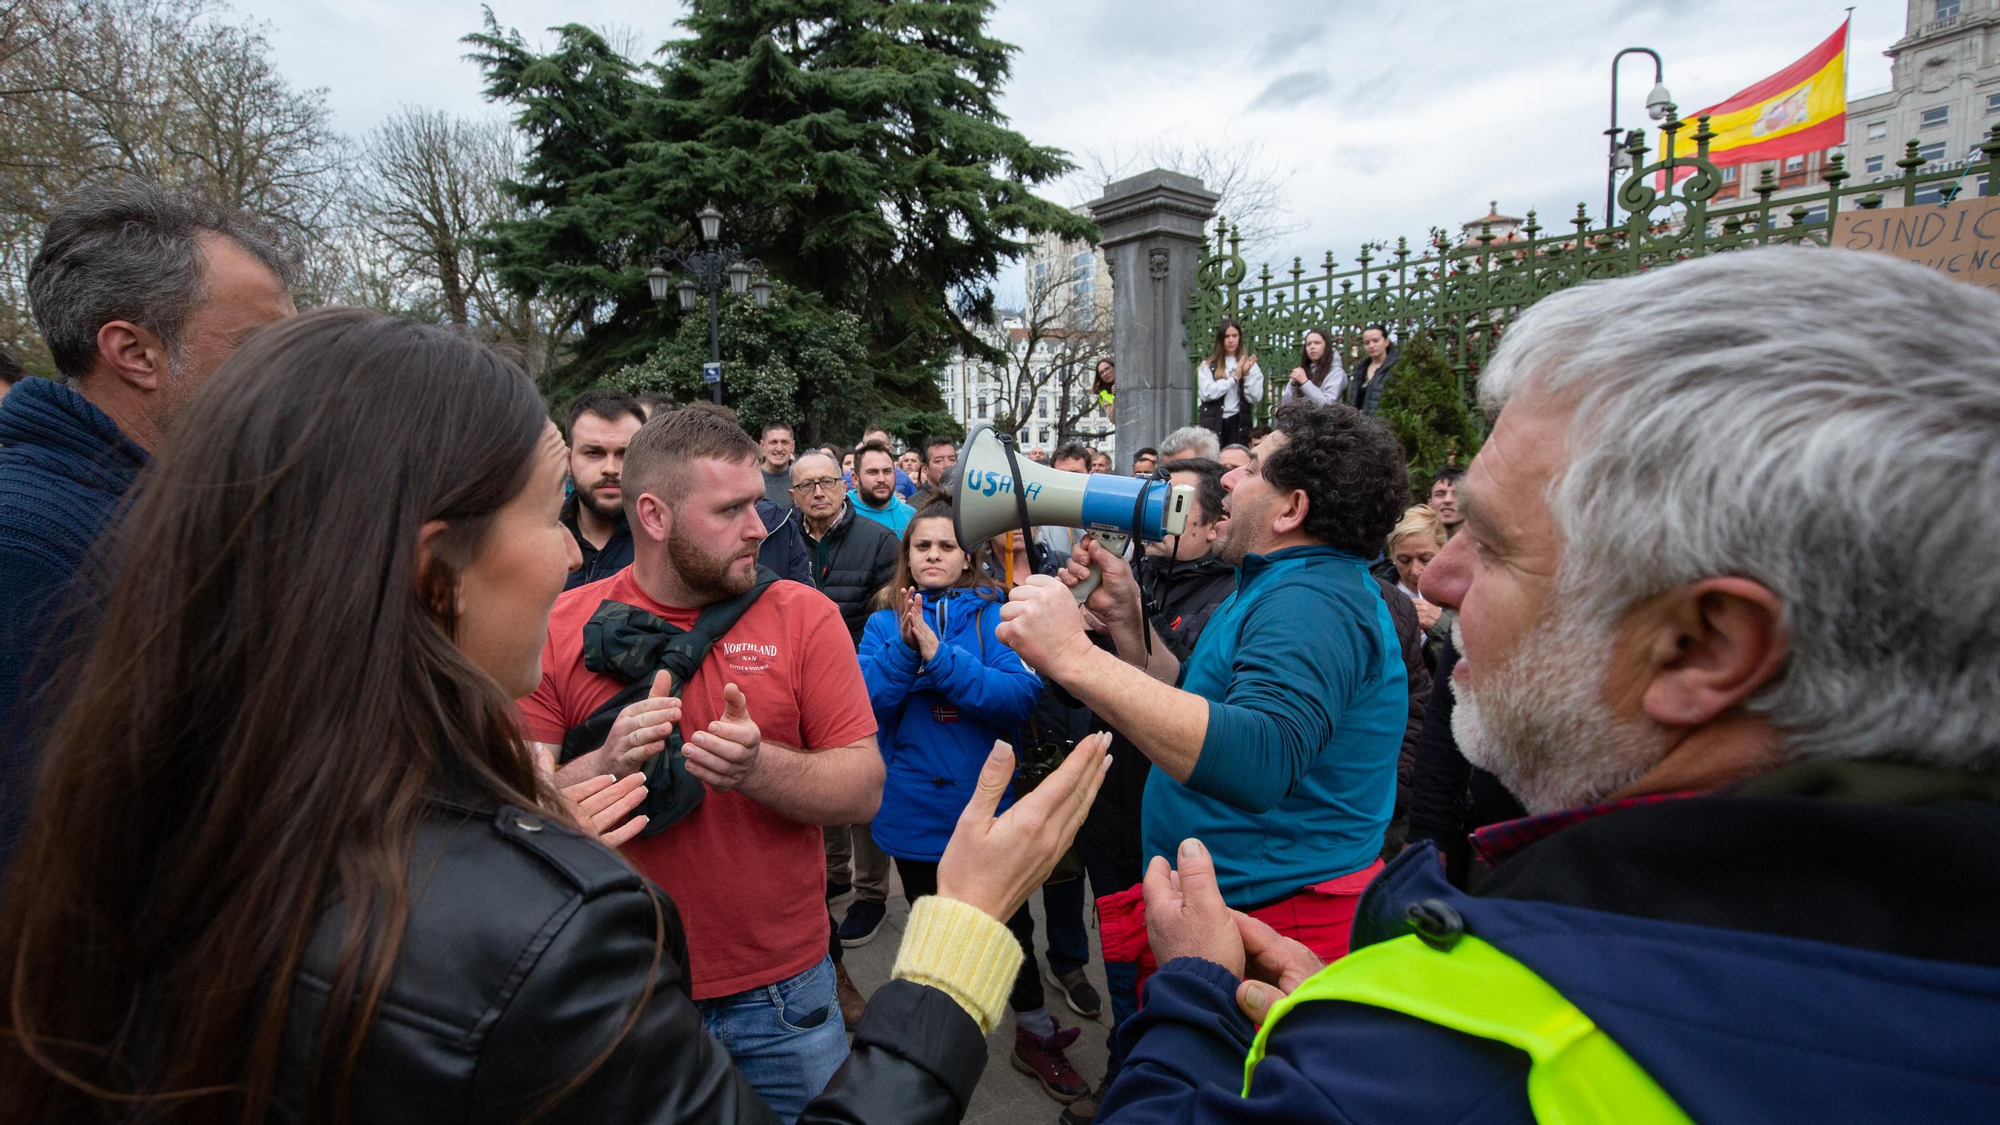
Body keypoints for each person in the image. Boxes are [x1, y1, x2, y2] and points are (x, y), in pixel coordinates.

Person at [0, 308, 1115, 1125]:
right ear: (434, 570)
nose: (564, 557)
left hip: (782, 993)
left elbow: (851, 779)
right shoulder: (538, 930)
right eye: (548, 514)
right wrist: (958, 937)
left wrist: (684, 782)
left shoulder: (154, 819)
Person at [1098, 246, 2000, 1124]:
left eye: (1492, 545)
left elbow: (1257, 755)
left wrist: (1196, 1001)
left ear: (1701, 646)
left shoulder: (1449, 1058)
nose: (1438, 578)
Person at [518, 408, 889, 1119]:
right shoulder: (559, 626)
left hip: (785, 994)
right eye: (730, 510)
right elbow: (515, 809)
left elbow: (864, 788)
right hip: (623, 990)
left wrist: (758, 766)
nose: (759, 527)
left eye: (756, 503)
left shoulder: (804, 615)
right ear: (654, 516)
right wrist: (602, 762)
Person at [998, 402, 1409, 969]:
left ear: (1292, 509)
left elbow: (1260, 757)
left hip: (1268, 924)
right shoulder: (1283, 584)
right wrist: (1130, 625)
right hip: (1237, 909)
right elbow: (1196, 701)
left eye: (1253, 468)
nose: (1230, 480)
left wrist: (1071, 654)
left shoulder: (1311, 601)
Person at [0, 183, 296, 870]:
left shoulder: (178, 514)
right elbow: (41, 866)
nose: (291, 378)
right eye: (260, 347)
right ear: (134, 353)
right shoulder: (30, 548)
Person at [859, 504, 1105, 1108]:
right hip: (914, 808)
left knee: (1011, 927)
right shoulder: (883, 623)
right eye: (922, 546)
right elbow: (865, 701)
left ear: (967, 556)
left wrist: (939, 661)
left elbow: (1016, 696)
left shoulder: (997, 614)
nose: (934, 555)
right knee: (931, 929)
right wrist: (908, 652)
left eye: (946, 546)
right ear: (907, 556)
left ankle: (1034, 1034)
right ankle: (929, 1050)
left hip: (987, 808)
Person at [1065, 457, 1236, 1123]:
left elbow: (1191, 706)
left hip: (1177, 821)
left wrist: (1110, 639)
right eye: (1155, 502)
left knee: (1174, 956)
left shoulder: (1228, 597)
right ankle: (1125, 1062)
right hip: (1116, 807)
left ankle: (1155, 1077)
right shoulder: (1135, 574)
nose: (1160, 518)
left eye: (1179, 507)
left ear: (1216, 525)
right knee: (1121, 946)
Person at [787, 450, 902, 956]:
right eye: (806, 485)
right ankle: (834, 875)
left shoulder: (878, 540)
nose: (818, 492)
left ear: (844, 485)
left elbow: (888, 614)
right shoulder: (780, 538)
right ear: (792, 495)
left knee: (859, 787)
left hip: (859, 681)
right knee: (818, 782)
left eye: (827, 482)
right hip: (799, 680)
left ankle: (871, 893)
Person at [561, 391, 648, 591]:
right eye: (594, 453)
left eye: (625, 454)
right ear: (568, 460)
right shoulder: (536, 542)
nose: (610, 468)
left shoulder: (670, 546)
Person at [1385, 504, 1448, 665]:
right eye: (1404, 560)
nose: (1415, 571)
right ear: (1392, 555)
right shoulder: (1376, 593)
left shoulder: (1464, 595)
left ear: (1443, 551)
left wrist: (1440, 625)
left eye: (1426, 559)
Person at [1196, 319, 1263, 448]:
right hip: (1213, 422)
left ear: (1240, 337)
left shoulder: (1250, 365)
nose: (1231, 340)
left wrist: (1246, 375)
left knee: (1235, 456)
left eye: (1234, 335)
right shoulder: (1208, 365)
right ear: (1221, 339)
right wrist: (1233, 379)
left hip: (1237, 422)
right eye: (1227, 336)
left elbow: (1255, 397)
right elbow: (1207, 393)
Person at [1033, 442, 1094, 564]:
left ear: (1090, 473)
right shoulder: (1041, 512)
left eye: (1075, 474)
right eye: (1061, 474)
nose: (1068, 480)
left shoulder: (1103, 510)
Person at [849, 440, 916, 536]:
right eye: (872, 472)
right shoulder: (841, 513)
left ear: (895, 475)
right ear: (855, 478)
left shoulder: (911, 517)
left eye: (887, 471)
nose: (881, 479)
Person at [1281, 327, 1347, 406]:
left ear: (1326, 346)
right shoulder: (1303, 372)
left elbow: (1327, 405)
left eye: (1317, 343)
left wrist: (1305, 382)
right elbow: (1285, 405)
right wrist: (1292, 385)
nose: (1312, 347)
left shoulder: (1336, 372)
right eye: (1308, 344)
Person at [1346, 323, 1400, 416]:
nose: (1371, 345)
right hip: (1360, 423)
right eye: (1367, 343)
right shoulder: (1360, 369)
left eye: (1376, 341)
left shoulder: (1396, 367)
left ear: (1386, 342)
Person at [862, 425, 918, 498]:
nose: (874, 450)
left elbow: (913, 503)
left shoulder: (903, 479)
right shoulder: (850, 479)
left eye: (879, 445)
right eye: (869, 446)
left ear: (889, 448)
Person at [760, 420, 798, 508]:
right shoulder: (750, 476)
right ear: (762, 446)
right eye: (773, 442)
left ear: (792, 446)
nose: (779, 448)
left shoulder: (801, 476)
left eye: (784, 442)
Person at [1428, 462, 1465, 538]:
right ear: (1430, 504)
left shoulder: (1486, 542)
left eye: (1457, 494)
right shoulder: (1415, 542)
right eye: (1440, 494)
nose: (1448, 500)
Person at [1093, 358, 1116, 424]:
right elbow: (1113, 419)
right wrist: (1116, 397)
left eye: (1107, 369)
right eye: (1101, 373)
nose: (1105, 374)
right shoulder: (1104, 395)